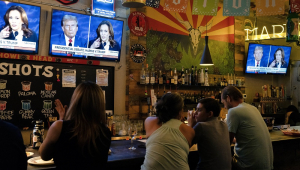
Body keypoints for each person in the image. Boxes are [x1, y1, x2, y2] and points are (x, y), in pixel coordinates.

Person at [39, 81, 111, 169]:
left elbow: (44, 155)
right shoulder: (105, 131)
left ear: (75, 101)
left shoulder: (59, 126)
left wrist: (61, 120)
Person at [221, 86, 273, 170]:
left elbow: (226, 143)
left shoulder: (234, 111)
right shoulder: (253, 108)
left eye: (223, 103)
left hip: (249, 166)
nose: (225, 107)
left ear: (228, 98)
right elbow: (246, 136)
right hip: (267, 165)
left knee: (219, 160)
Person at [141, 92, 195, 170]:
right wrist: (191, 124)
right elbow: (184, 146)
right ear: (180, 112)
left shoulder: (149, 121)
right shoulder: (189, 130)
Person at [187, 98, 231, 170]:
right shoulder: (223, 124)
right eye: (196, 109)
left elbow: (183, 145)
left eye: (199, 110)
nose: (195, 113)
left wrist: (190, 125)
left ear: (210, 114)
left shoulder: (201, 126)